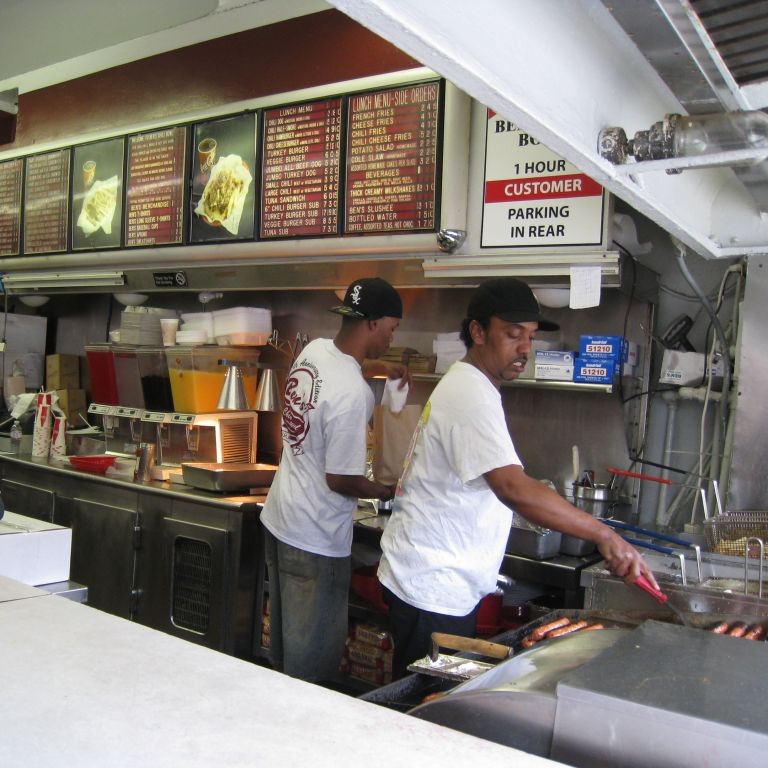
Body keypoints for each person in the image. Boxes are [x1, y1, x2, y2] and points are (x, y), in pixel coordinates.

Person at [377, 277, 659, 678]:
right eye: (512, 335)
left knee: (433, 703)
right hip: (433, 588)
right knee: (425, 713)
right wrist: (604, 535)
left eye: (529, 336)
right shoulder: (470, 394)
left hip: (434, 581)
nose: (525, 347)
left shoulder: (472, 386)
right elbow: (512, 487)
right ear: (477, 331)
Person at [261, 277, 410, 683]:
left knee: (286, 649)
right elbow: (341, 479)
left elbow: (346, 366)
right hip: (315, 539)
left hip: (280, 520)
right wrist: (386, 492)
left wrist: (380, 369)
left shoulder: (314, 352)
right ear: (374, 324)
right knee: (313, 664)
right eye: (393, 328)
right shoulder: (353, 394)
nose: (393, 336)